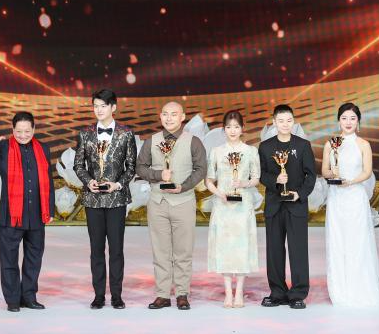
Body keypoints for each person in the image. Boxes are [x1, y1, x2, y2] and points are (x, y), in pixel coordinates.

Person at [0, 111, 56, 312]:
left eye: (27, 131)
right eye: (19, 131)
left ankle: (29, 297)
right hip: (11, 215)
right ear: (13, 130)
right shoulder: (3, 147)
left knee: (34, 258)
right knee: (9, 259)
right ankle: (13, 300)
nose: (23, 135)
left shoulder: (43, 148)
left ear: (34, 129)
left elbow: (48, 180)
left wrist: (50, 209)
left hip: (37, 214)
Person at [136, 101, 208, 310]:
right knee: (160, 251)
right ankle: (162, 294)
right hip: (157, 203)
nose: (169, 118)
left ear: (182, 117)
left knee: (183, 251)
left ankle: (182, 294)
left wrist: (183, 186)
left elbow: (201, 169)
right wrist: (159, 174)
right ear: (160, 117)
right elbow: (140, 167)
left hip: (183, 202)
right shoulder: (152, 141)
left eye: (174, 114)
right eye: (165, 114)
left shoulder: (193, 141)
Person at [322, 103, 379, 307]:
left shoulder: (363, 144)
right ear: (338, 121)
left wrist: (350, 182)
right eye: (344, 118)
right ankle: (340, 289)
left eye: (352, 118)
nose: (348, 122)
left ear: (358, 122)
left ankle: (361, 287)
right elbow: (324, 171)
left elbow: (367, 172)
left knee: (358, 241)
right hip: (336, 198)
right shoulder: (330, 144)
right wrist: (333, 174)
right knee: (338, 240)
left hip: (355, 196)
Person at [73, 88, 137, 310]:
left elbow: (131, 167)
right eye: (95, 106)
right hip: (93, 200)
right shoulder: (85, 134)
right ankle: (99, 295)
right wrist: (88, 181)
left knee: (116, 250)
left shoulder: (126, 134)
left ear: (113, 107)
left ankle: (117, 296)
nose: (98, 110)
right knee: (96, 249)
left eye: (103, 106)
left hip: (116, 199)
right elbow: (78, 164)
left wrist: (117, 184)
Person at [258, 104, 316, 309]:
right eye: (281, 121)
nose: (285, 124)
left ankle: (298, 293)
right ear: (274, 122)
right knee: (274, 250)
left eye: (289, 120)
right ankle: (277, 292)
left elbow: (311, 175)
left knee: (298, 250)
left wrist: (300, 193)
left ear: (294, 122)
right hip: (274, 205)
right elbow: (261, 174)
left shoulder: (303, 145)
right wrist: (275, 179)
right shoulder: (265, 147)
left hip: (296, 205)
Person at [204, 110, 260, 308]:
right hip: (223, 206)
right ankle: (228, 292)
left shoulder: (250, 151)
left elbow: (256, 177)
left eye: (236, 127)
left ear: (242, 128)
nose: (233, 130)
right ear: (224, 129)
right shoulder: (217, 152)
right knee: (225, 248)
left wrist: (244, 183)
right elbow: (209, 180)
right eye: (229, 127)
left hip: (243, 205)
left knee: (242, 247)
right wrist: (219, 194)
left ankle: (240, 293)